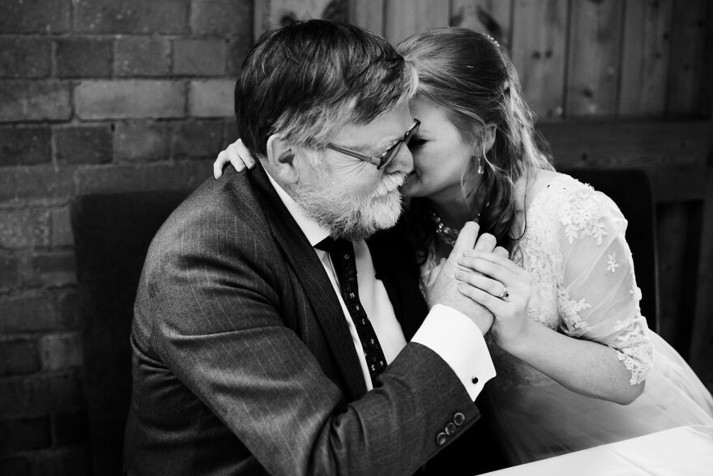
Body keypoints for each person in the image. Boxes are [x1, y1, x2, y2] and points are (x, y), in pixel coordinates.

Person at [215, 27, 713, 465]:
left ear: (481, 136)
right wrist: (274, 158)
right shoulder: (393, 208)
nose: (396, 160)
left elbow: (629, 376)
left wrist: (522, 335)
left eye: (415, 142)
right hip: (495, 442)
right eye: (389, 140)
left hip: (609, 440)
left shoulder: (570, 215)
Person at [124, 20, 510, 476]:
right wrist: (454, 324)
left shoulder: (357, 198)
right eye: (383, 153)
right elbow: (328, 464)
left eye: (408, 139)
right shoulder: (201, 263)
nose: (405, 165)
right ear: (287, 159)